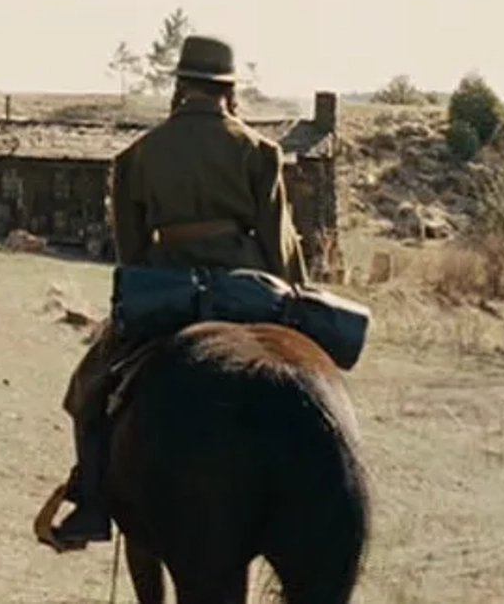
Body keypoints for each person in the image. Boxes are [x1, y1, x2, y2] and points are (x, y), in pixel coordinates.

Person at [40, 34, 308, 551]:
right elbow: (280, 243)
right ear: (229, 91)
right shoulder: (261, 152)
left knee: (88, 388)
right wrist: (295, 296)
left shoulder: (139, 155)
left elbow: (132, 251)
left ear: (181, 86)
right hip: (248, 289)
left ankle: (92, 503)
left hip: (169, 286)